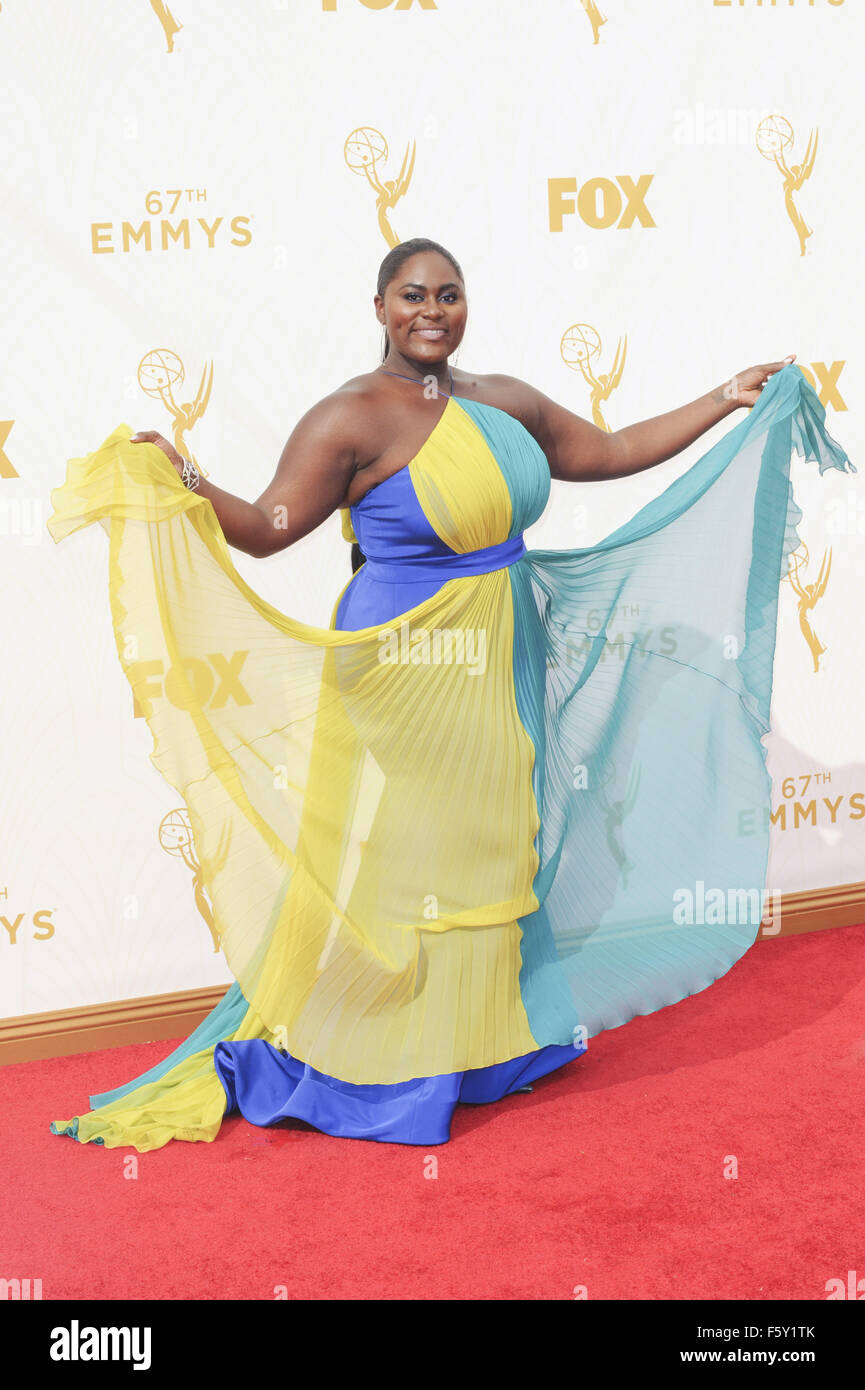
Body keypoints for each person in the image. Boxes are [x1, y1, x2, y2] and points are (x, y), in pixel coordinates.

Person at [46, 237, 853, 1151]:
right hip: (406, 662)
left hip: (503, 644)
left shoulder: (503, 401)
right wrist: (185, 474)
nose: (432, 311)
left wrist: (723, 398)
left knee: (491, 839)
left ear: (466, 305)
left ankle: (472, 1045)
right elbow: (269, 531)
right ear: (380, 307)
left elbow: (617, 448)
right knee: (419, 851)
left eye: (449, 295)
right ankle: (395, 1059)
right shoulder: (346, 418)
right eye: (412, 296)